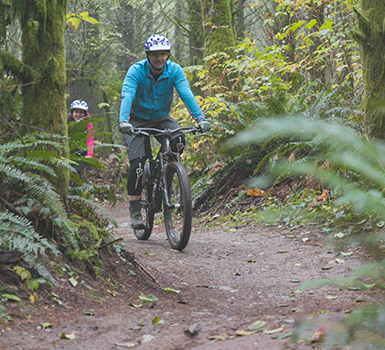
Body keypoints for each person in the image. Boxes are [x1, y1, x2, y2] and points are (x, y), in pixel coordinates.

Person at [119, 34, 211, 229]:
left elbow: (186, 94)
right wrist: (124, 120)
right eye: (155, 54)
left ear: (168, 55)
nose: (159, 58)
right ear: (148, 55)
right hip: (135, 120)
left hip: (161, 117)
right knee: (137, 163)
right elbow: (127, 95)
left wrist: (200, 119)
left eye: (163, 54)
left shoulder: (174, 70)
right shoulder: (136, 71)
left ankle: (165, 170)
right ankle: (135, 209)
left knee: (178, 138)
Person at [68, 99, 94, 178]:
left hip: (82, 152)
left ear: (85, 114)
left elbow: (90, 139)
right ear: (72, 113)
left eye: (81, 112)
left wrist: (90, 154)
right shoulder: (67, 122)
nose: (78, 115)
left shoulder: (88, 124)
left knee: (77, 171)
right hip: (69, 151)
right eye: (76, 112)